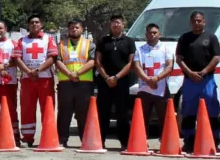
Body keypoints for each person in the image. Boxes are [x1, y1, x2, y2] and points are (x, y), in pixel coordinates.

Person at [175, 11, 220, 153]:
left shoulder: (211, 37)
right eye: (194, 21)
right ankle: (189, 141)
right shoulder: (184, 38)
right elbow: (179, 58)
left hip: (206, 80)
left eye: (199, 20)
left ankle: (214, 141)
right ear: (191, 22)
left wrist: (204, 72)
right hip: (190, 81)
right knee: (188, 111)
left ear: (204, 22)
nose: (197, 23)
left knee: (212, 110)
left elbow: (216, 57)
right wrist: (190, 73)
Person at [12, 15, 58, 147]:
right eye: (32, 22)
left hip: (45, 80)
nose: (34, 24)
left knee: (48, 107)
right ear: (28, 25)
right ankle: (27, 138)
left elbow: (52, 57)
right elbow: (17, 58)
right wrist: (28, 72)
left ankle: (48, 136)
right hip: (27, 80)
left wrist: (37, 70)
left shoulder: (48, 39)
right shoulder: (22, 41)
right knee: (27, 108)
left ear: (41, 24)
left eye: (37, 22)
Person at [95, 15, 138, 150]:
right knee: (103, 113)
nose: (116, 25)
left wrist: (117, 77)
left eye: (118, 23)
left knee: (122, 114)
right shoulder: (103, 41)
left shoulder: (129, 41)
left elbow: (131, 63)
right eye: (113, 23)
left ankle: (124, 143)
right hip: (104, 82)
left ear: (123, 24)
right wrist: (107, 77)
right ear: (110, 24)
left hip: (122, 82)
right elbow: (97, 61)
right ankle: (100, 141)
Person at [54, 19, 95, 148]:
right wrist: (69, 74)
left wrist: (77, 74)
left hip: (84, 83)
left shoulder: (90, 44)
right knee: (64, 112)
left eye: (77, 27)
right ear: (68, 29)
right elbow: (58, 61)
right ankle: (62, 139)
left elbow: (92, 61)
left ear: (82, 29)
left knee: (83, 113)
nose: (74, 29)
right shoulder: (61, 44)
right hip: (66, 82)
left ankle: (85, 139)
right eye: (72, 27)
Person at [133, 23, 174, 136]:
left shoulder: (166, 49)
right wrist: (148, 80)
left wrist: (156, 78)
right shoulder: (140, 50)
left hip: (161, 88)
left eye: (155, 33)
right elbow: (136, 66)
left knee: (164, 117)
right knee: (142, 116)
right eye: (150, 33)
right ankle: (141, 140)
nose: (152, 35)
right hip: (144, 88)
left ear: (159, 34)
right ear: (146, 34)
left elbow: (169, 66)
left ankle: (165, 141)